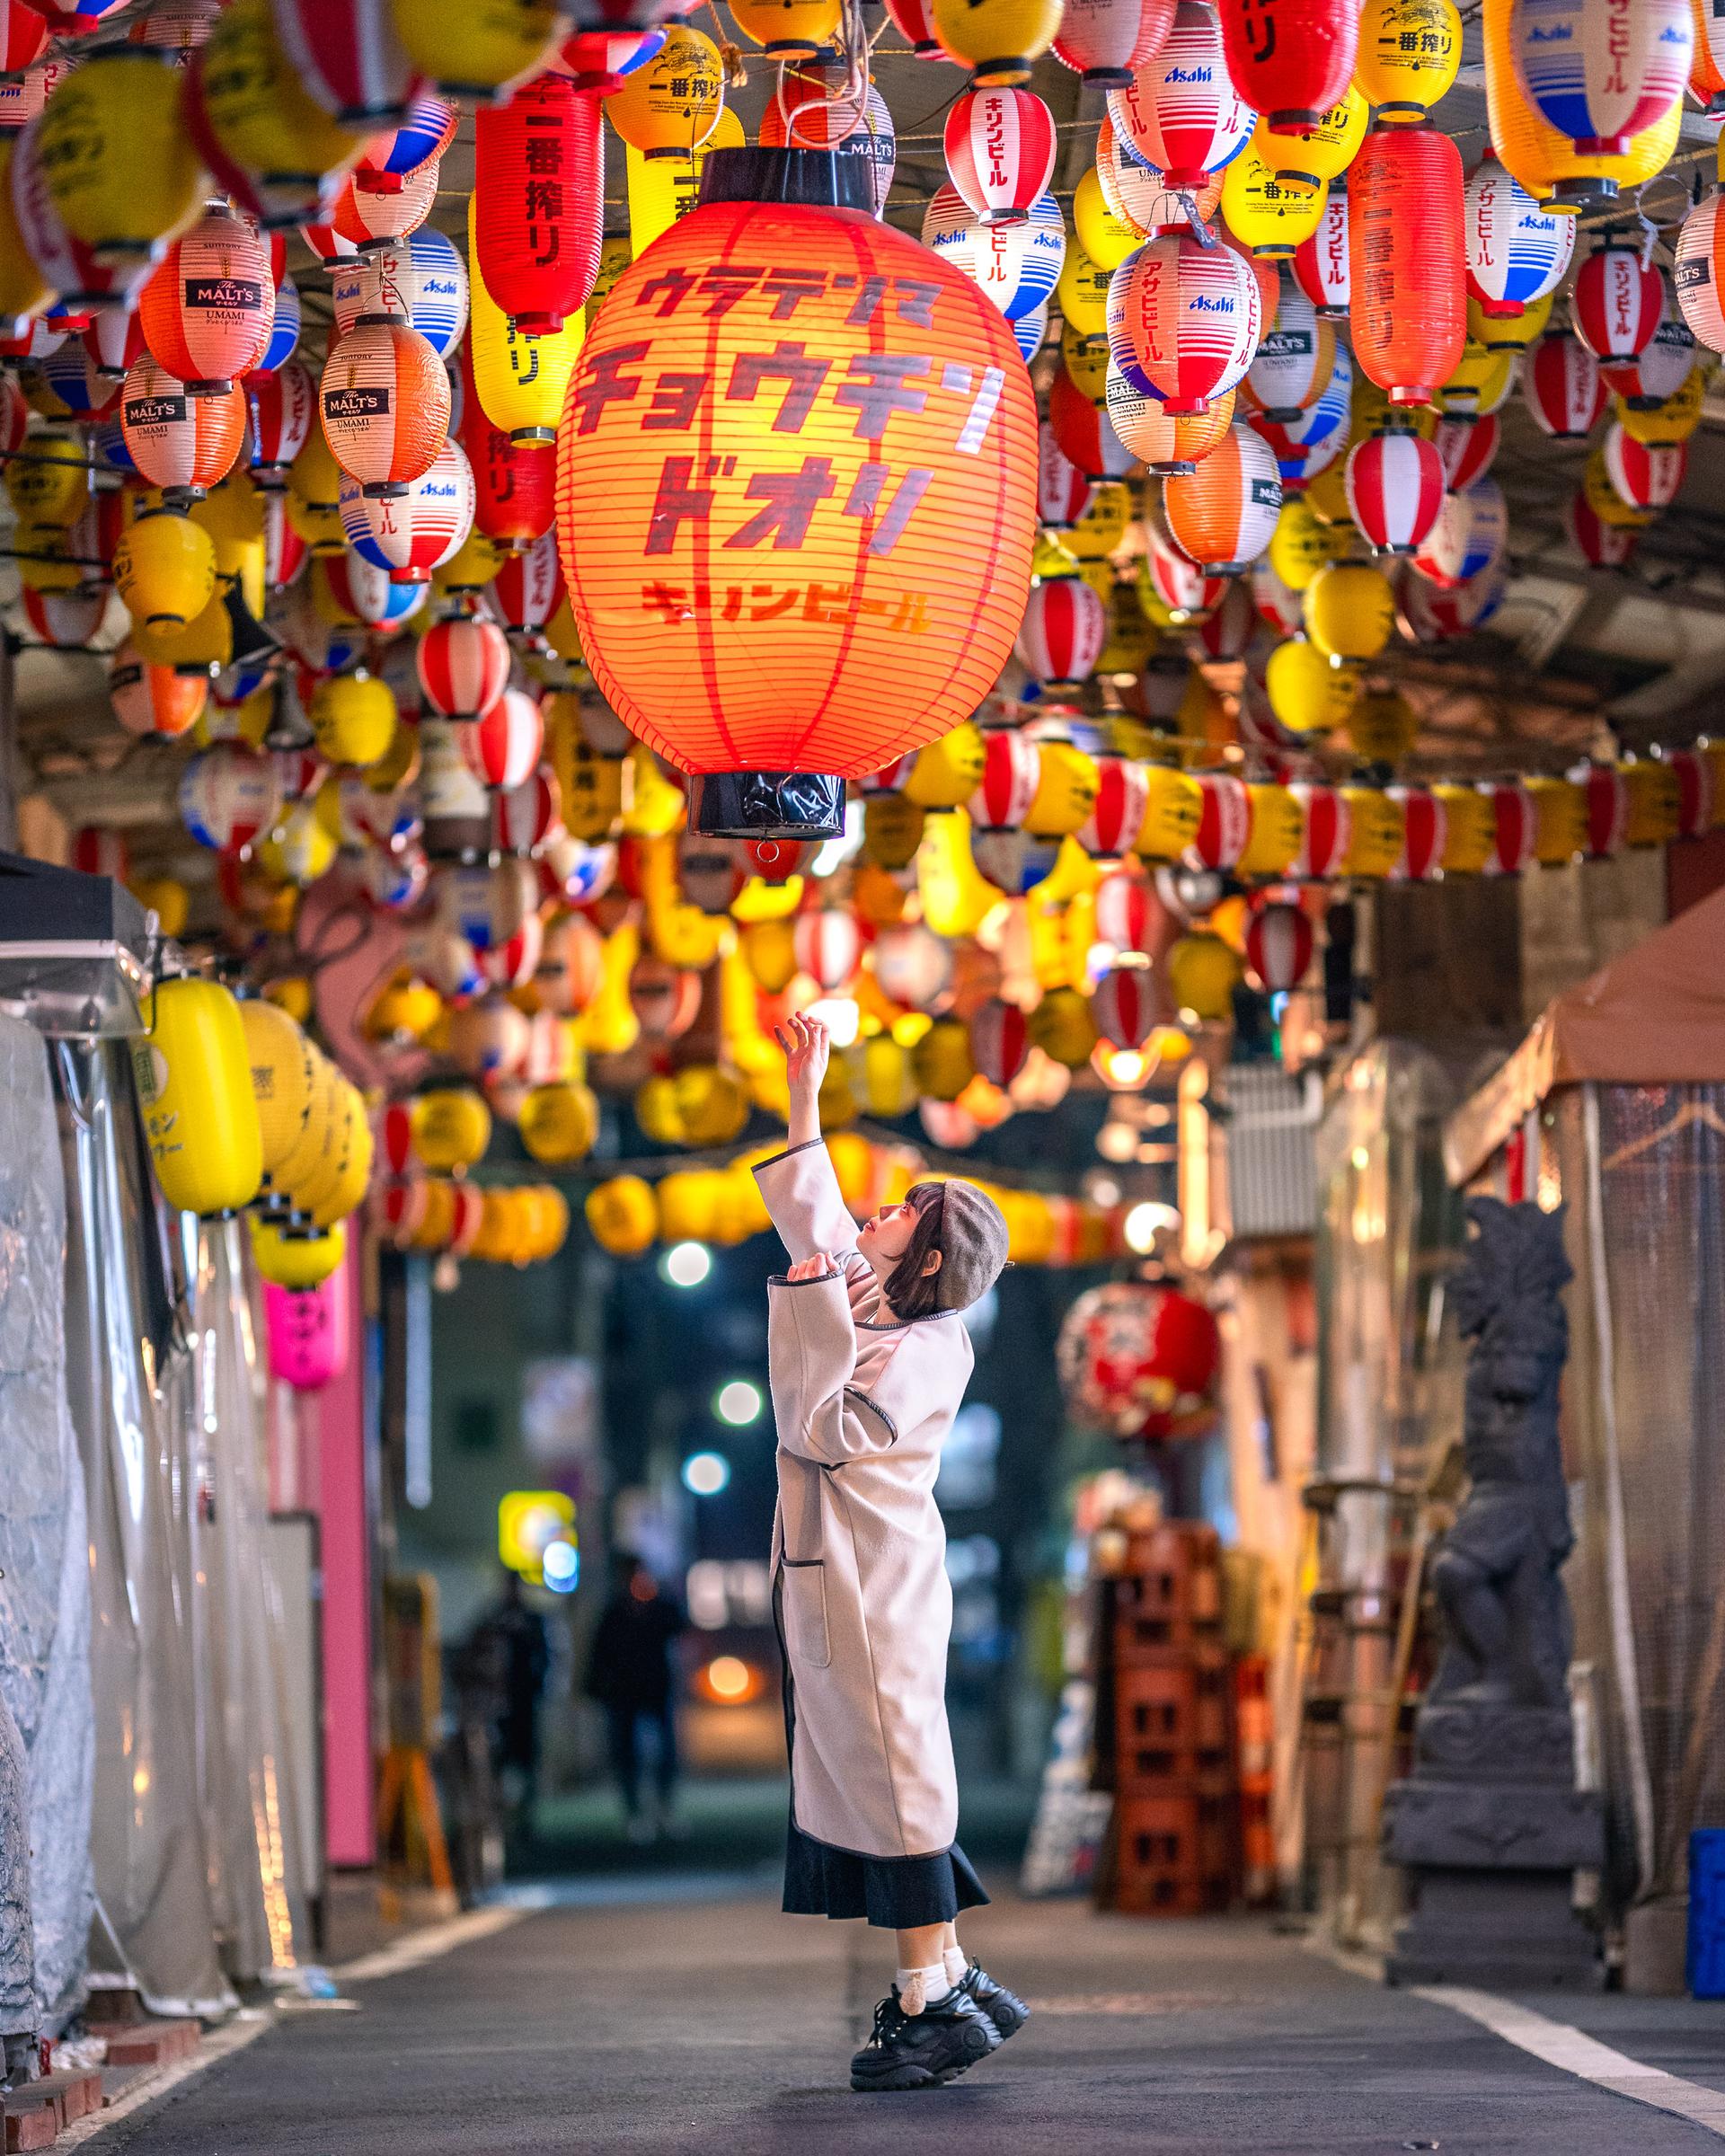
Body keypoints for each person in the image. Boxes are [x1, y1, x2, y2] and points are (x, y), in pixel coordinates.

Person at [756, 1012, 1029, 2095]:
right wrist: (804, 1091)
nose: (880, 1210)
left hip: (872, 1585)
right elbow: (818, 1227)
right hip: (856, 1575)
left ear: (927, 1256)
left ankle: (932, 2002)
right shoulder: (885, 1304)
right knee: (887, 1776)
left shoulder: (924, 1346)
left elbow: (818, 1428)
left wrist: (808, 1300)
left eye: (905, 1211)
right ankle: (949, 1978)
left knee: (899, 1787)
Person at [584, 1552, 686, 1843]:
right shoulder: (615, 1612)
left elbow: (679, 1624)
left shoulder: (659, 1605)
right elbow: (600, 1652)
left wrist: (660, 1596)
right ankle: (634, 1813)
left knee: (666, 1752)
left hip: (656, 1687)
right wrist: (597, 1687)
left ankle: (664, 1809)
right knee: (626, 1754)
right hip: (624, 1691)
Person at [470, 1570, 552, 1843]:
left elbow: (544, 1658)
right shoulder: (494, 1619)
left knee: (527, 1763)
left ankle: (526, 1821)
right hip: (498, 1706)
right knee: (497, 1763)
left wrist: (537, 1686)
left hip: (525, 1704)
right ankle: (498, 1821)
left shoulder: (532, 1620)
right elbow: (476, 1653)